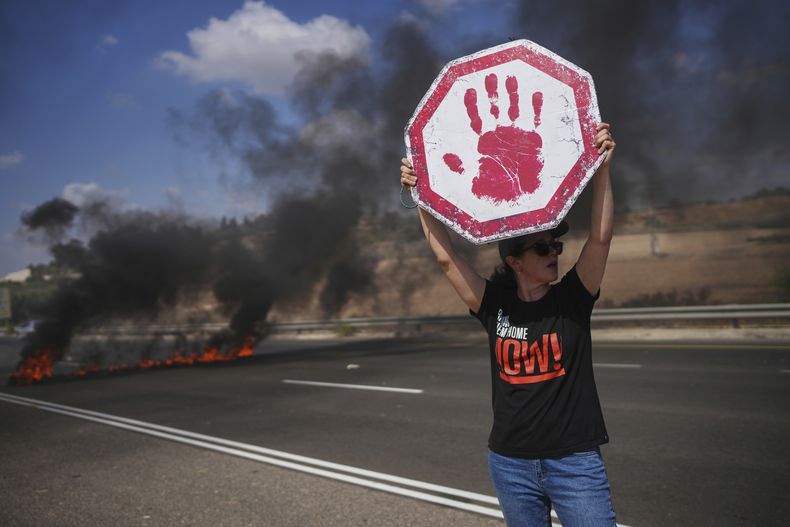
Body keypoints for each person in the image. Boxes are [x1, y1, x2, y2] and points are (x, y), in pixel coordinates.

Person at [399, 123, 617, 527]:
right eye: (542, 247)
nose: (553, 252)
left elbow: (601, 239)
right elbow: (447, 259)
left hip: (574, 462)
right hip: (511, 465)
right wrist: (420, 195)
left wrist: (602, 167)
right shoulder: (493, 306)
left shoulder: (572, 299)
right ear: (515, 262)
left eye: (556, 244)